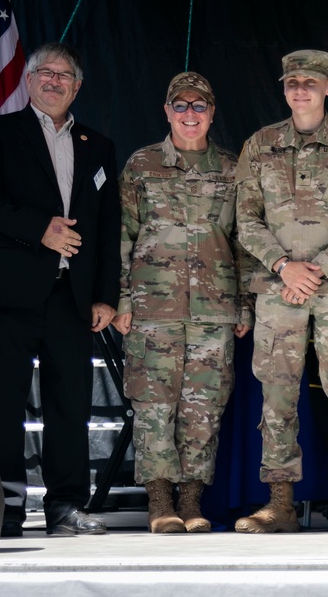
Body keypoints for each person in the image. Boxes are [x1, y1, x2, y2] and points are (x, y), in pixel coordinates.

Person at [0, 42, 120, 537]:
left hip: (70, 298)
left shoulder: (99, 146)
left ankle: (66, 507)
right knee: (3, 407)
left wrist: (105, 296)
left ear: (77, 86)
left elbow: (107, 229)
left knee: (70, 406)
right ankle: (4, 508)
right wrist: (41, 229)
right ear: (29, 81)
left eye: (64, 75)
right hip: (10, 292)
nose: (53, 81)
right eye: (44, 73)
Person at [233, 50, 328, 534]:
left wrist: (315, 268)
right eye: (293, 81)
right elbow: (244, 220)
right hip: (278, 288)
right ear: (284, 88)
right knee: (277, 394)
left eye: (311, 82)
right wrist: (283, 266)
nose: (301, 89)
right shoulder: (260, 145)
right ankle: (279, 503)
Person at [111, 71, 255, 533]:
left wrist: (245, 305)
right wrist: (121, 298)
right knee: (154, 405)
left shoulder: (233, 169)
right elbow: (122, 236)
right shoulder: (142, 165)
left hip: (214, 310)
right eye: (181, 105)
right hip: (153, 309)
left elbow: (243, 243)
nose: (189, 114)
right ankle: (159, 502)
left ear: (211, 113)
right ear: (167, 111)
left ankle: (191, 501)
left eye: (199, 106)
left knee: (203, 407)